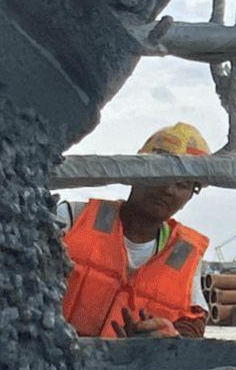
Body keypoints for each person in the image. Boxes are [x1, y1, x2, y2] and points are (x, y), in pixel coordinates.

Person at [59, 123, 211, 339]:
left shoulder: (186, 255)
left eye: (183, 184)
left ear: (190, 195)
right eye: (160, 174)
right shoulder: (71, 219)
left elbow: (193, 326)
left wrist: (172, 337)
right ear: (135, 172)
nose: (168, 189)